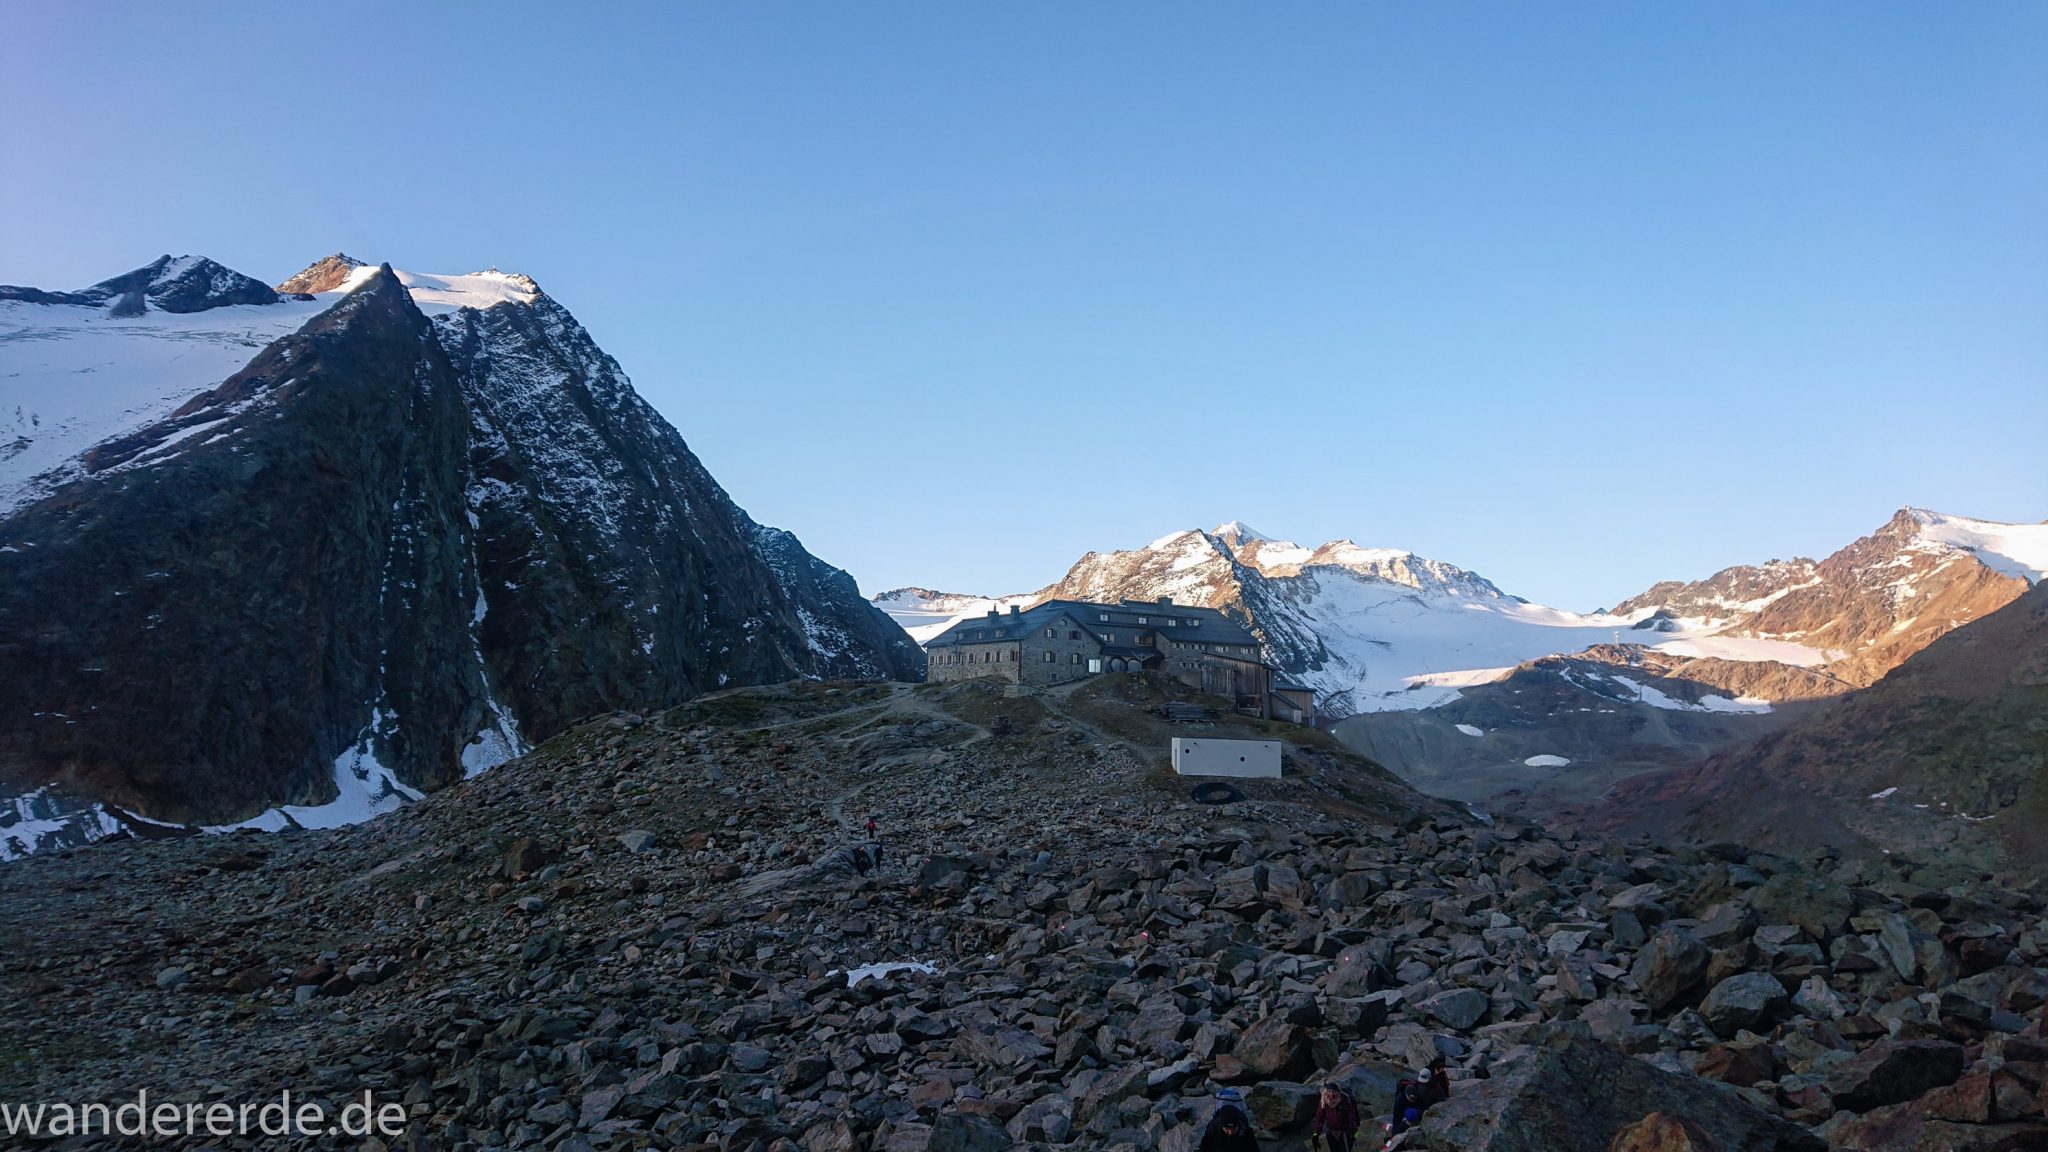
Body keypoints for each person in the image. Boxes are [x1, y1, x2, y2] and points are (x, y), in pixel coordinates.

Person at [1311, 1082, 1360, 1151]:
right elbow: (1319, 1118)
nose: (1331, 1094)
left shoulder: (1345, 1100)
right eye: (1329, 1091)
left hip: (1345, 1131)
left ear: (1338, 1091)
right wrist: (1316, 1134)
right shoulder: (1324, 1101)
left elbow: (1352, 1117)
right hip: (1332, 1132)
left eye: (1334, 1091)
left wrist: (1354, 1132)